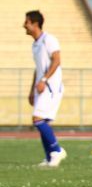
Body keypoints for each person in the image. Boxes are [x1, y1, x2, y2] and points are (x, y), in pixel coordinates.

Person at [24, 10, 67, 167]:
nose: (24, 25)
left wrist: (44, 80)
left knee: (38, 119)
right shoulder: (35, 44)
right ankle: (50, 158)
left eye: (27, 22)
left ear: (35, 24)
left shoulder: (49, 40)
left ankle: (57, 150)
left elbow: (57, 60)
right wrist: (32, 90)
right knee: (43, 122)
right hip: (41, 88)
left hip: (51, 87)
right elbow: (38, 68)